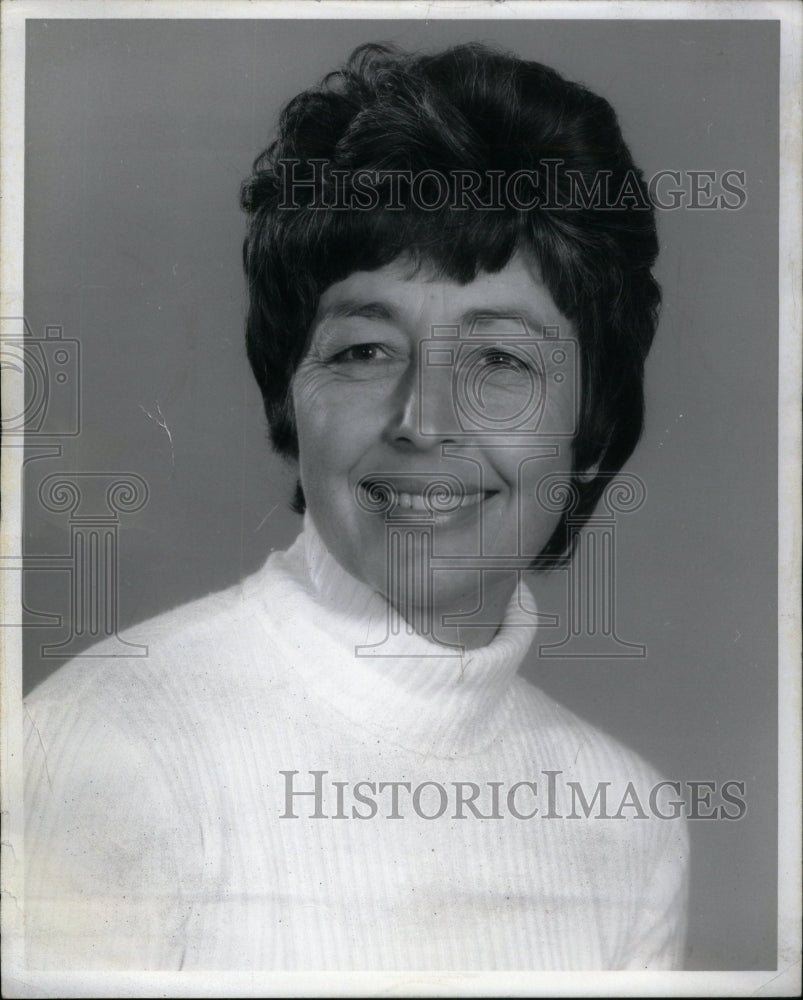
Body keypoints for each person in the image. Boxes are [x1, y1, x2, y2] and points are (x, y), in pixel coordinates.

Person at [24, 42, 688, 970]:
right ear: (289, 398)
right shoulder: (110, 745)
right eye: (363, 351)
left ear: (592, 428)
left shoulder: (628, 823)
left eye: (502, 360)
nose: (424, 420)